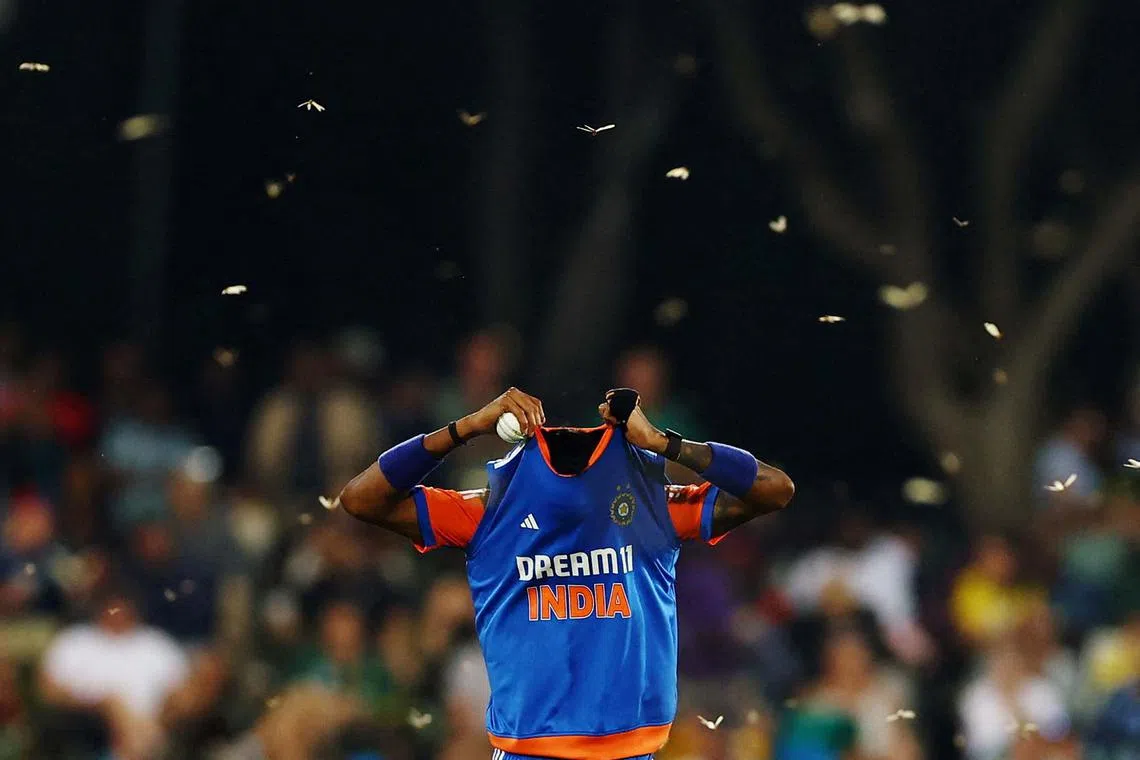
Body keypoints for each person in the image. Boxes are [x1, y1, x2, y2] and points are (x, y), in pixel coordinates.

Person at [337, 386, 794, 759]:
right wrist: (464, 427)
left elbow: (775, 490)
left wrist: (663, 443)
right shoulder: (489, 511)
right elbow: (360, 499)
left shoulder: (654, 507)